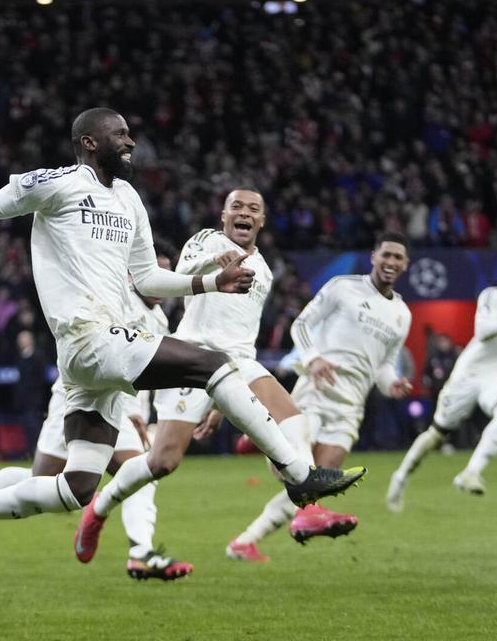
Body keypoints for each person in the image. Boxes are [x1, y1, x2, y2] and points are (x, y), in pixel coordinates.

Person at [0, 107, 364, 564]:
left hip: (97, 355)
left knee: (75, 487)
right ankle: (299, 473)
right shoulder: (60, 183)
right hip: (88, 337)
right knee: (212, 365)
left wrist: (208, 283)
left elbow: (146, 280)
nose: (130, 142)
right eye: (120, 134)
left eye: (129, 134)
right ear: (89, 142)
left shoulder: (128, 199)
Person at [81, 188, 339, 566]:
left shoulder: (264, 270)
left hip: (237, 364)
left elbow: (244, 339)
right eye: (236, 206)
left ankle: (307, 506)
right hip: (192, 359)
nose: (244, 213)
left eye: (253, 209)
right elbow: (176, 275)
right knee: (162, 462)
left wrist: (223, 406)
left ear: (262, 221)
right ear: (223, 215)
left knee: (293, 417)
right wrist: (211, 262)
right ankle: (98, 510)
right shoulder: (207, 240)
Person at [0, 264, 192, 580]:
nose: (162, 280)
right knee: (133, 471)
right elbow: (111, 355)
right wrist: (135, 413)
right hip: (87, 396)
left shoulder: (159, 319)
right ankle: (140, 553)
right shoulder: (118, 299)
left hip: (107, 402)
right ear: (134, 275)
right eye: (154, 269)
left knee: (49, 478)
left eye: (167, 272)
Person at [228, 233, 414, 562]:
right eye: (386, 254)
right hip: (317, 391)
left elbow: (383, 367)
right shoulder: (344, 287)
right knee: (299, 473)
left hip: (350, 408)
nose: (391, 262)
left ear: (405, 264)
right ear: (374, 256)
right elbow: (301, 324)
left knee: (313, 488)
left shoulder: (402, 314)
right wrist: (313, 358)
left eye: (398, 257)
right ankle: (261, 433)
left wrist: (393, 385)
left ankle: (245, 542)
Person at [386, 251, 497, 510]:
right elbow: (483, 333)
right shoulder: (493, 296)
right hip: (469, 374)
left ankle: (472, 471)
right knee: (437, 434)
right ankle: (400, 476)